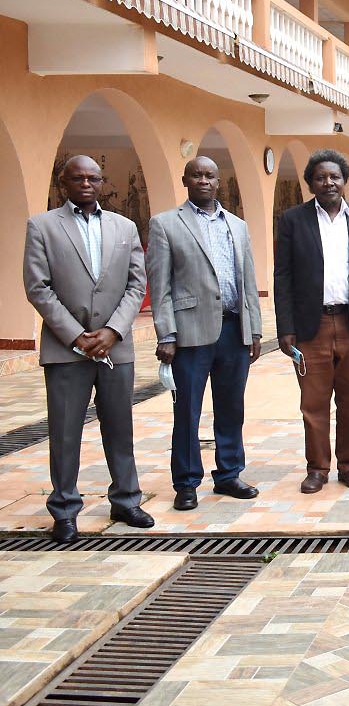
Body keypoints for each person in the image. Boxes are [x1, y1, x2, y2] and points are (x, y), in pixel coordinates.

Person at [23, 155, 153, 543]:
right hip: (67, 351)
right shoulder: (43, 226)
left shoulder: (125, 226)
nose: (85, 183)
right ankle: (64, 509)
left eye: (93, 178)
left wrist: (113, 330)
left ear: (102, 183)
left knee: (120, 428)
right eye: (76, 177)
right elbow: (38, 287)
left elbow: (136, 284)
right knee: (64, 433)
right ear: (63, 182)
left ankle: (126, 499)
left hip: (116, 348)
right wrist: (77, 336)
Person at [146, 157, 262, 511]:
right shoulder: (166, 224)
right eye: (196, 175)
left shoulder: (238, 226)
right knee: (188, 411)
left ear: (218, 181)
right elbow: (160, 284)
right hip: (189, 333)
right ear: (185, 180)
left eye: (210, 175)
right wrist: (166, 333)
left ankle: (228, 474)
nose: (203, 180)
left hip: (232, 329)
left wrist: (254, 329)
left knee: (231, 407)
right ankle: (186, 482)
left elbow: (248, 281)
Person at [274, 149, 349, 494]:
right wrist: (285, 327)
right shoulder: (293, 220)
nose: (328, 182)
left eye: (335, 176)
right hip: (311, 327)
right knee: (314, 403)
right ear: (310, 183)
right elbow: (283, 276)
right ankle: (317, 468)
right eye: (320, 177)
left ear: (345, 180)